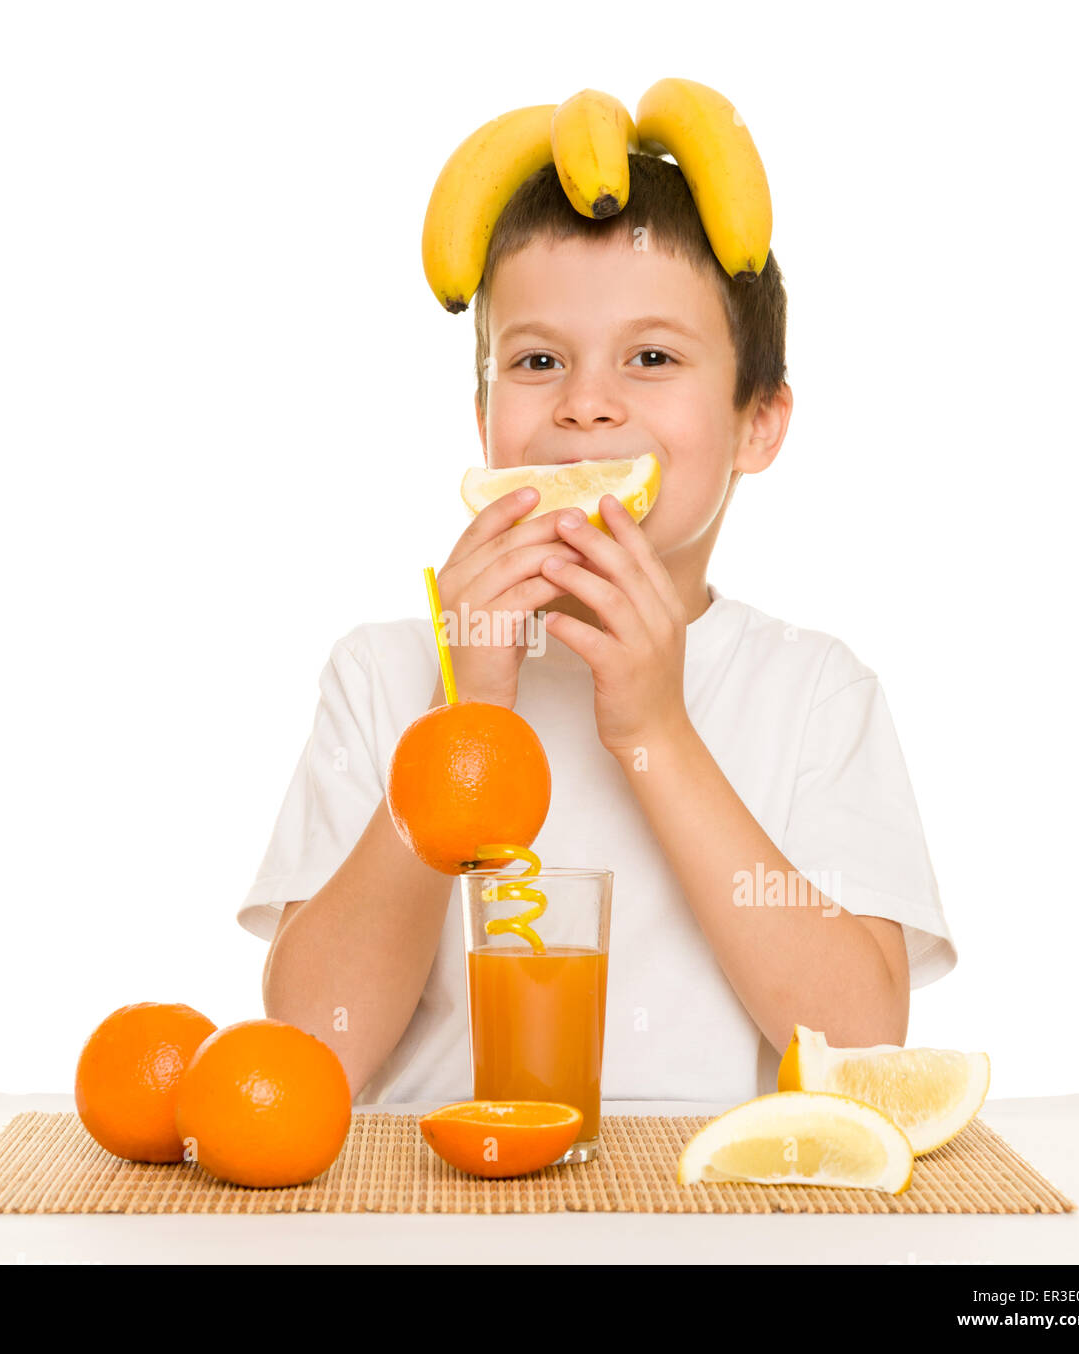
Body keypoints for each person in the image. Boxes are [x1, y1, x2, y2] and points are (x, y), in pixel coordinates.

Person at [238, 152, 956, 1106]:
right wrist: (467, 718)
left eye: (651, 358)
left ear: (759, 423)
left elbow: (863, 1047)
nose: (586, 403)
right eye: (538, 362)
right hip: (427, 1222)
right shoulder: (385, 674)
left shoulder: (816, 691)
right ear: (484, 415)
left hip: (702, 1226)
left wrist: (656, 732)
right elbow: (306, 1052)